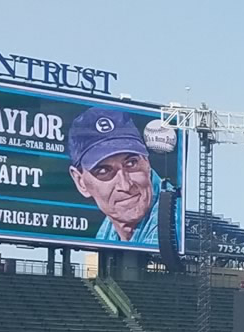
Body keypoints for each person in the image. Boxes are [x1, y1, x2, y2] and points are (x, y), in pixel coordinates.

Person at [66, 106, 175, 247]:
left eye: (131, 163)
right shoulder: (106, 231)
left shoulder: (172, 222)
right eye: (104, 171)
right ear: (80, 182)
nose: (125, 185)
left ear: (147, 162)